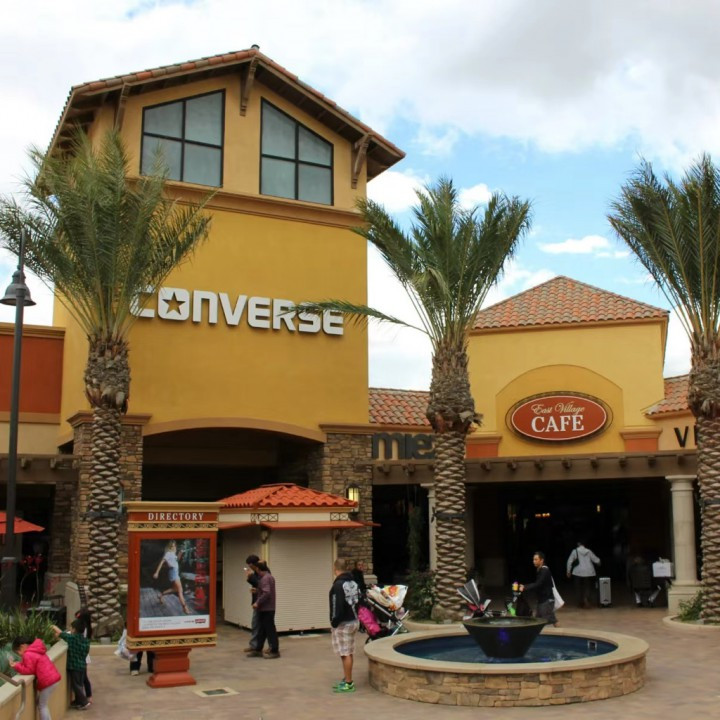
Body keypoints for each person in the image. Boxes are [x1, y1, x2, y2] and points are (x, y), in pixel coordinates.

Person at [10, 635, 62, 720]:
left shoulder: (28, 654)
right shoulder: (36, 650)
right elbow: (30, 665)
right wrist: (19, 664)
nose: (19, 654)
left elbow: (29, 670)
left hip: (47, 681)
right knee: (43, 704)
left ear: (22, 646)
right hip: (53, 679)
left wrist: (16, 666)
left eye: (18, 651)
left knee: (42, 705)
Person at [329, 557, 361, 693]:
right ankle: (347, 677)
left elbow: (337, 605)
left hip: (344, 623)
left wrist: (334, 621)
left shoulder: (338, 585)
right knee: (349, 651)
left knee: (345, 653)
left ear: (335, 568)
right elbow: (359, 601)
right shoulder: (353, 582)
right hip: (354, 620)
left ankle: (349, 683)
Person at [52, 620, 91, 710]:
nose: (70, 629)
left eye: (71, 628)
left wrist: (53, 626)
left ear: (74, 629)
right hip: (82, 665)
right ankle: (78, 701)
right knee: (79, 684)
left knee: (76, 686)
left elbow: (61, 634)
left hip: (75, 666)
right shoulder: (85, 640)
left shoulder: (72, 639)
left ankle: (84, 702)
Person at [248, 561, 279, 659]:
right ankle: (258, 649)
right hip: (267, 608)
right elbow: (266, 591)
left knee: (269, 630)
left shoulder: (265, 578)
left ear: (258, 569)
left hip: (267, 608)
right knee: (262, 630)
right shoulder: (269, 577)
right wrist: (258, 591)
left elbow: (267, 593)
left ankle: (274, 650)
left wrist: (257, 602)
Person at [519, 551, 558, 627]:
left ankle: (559, 632)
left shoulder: (544, 571)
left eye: (536, 559)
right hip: (543, 600)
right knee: (542, 621)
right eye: (533, 559)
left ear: (542, 560)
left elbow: (538, 583)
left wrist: (525, 587)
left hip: (546, 601)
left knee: (545, 623)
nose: (534, 561)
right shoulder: (540, 570)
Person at [154, 540, 191, 614]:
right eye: (172, 546)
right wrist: (156, 572)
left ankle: (161, 595)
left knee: (174, 589)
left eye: (174, 546)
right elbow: (161, 562)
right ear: (169, 547)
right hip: (173, 573)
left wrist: (180, 554)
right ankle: (185, 608)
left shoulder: (173, 554)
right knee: (180, 591)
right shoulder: (168, 553)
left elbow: (176, 560)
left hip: (175, 573)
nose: (174, 547)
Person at [566, 541, 601, 608]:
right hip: (588, 572)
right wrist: (599, 562)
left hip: (578, 572)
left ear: (578, 544)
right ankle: (586, 598)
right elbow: (596, 559)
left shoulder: (575, 551)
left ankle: (580, 602)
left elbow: (569, 561)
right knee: (587, 586)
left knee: (578, 587)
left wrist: (568, 571)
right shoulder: (589, 551)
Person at [243, 554, 263, 654]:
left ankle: (256, 646)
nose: (250, 567)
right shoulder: (256, 572)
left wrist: (251, 577)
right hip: (257, 601)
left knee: (257, 624)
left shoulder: (262, 572)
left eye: (250, 565)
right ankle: (254, 645)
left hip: (261, 602)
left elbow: (261, 585)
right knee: (256, 624)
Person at [74, 607, 93, 704]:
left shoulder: (84, 629)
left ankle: (88, 696)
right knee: (84, 676)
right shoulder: (87, 627)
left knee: (84, 677)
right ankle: (87, 696)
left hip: (82, 655)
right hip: (84, 654)